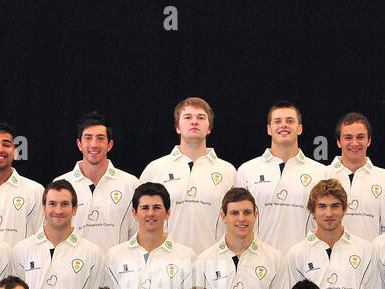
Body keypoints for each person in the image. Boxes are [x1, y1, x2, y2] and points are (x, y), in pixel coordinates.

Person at [102, 182, 197, 289]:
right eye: (145, 208)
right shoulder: (114, 256)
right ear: (134, 213)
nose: (151, 213)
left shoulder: (187, 256)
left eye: (157, 208)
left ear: (168, 213)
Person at [10, 180, 104, 289]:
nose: (58, 210)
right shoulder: (21, 250)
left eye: (65, 204)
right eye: (52, 204)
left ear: (75, 209)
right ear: (44, 208)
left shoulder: (92, 253)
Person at [140, 97, 237, 254]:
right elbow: (139, 219)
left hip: (214, 262)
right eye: (187, 117)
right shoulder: (155, 169)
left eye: (200, 117)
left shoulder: (228, 171)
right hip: (166, 262)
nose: (194, 122)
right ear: (178, 127)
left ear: (209, 128)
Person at [239, 102, 331, 248]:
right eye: (277, 121)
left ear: (299, 129)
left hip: (305, 261)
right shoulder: (247, 170)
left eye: (289, 121)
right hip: (258, 260)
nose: (283, 125)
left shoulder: (321, 172)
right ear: (269, 129)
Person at [54, 112, 138, 251]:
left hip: (117, 270)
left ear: (110, 145)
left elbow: (137, 234)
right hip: (74, 269)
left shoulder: (130, 184)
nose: (94, 144)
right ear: (79, 144)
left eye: (100, 138)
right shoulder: (61, 184)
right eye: (88, 138)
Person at [327, 112, 385, 243]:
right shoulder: (323, 175)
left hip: (371, 261)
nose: (354, 143)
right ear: (338, 142)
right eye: (348, 137)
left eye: (360, 137)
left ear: (369, 140)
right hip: (329, 259)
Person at [0, 122, 44, 245]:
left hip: (18, 264)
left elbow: (41, 237)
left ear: (15, 153)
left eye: (6, 144)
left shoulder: (35, 190)